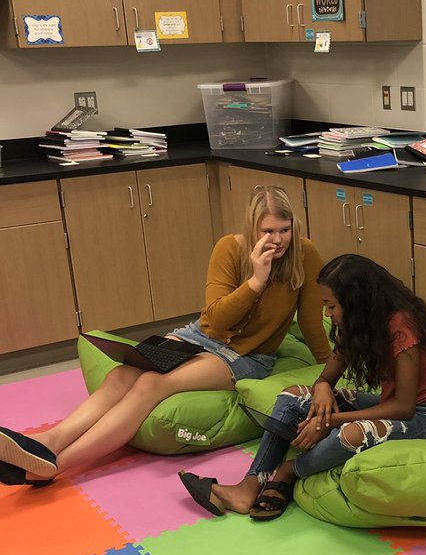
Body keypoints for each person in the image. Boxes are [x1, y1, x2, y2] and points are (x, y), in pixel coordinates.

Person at [0, 186, 331, 485]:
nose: (277, 239)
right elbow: (214, 321)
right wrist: (255, 281)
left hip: (248, 356)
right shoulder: (229, 249)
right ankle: (47, 442)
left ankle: (55, 465)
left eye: (284, 230)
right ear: (252, 229)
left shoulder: (305, 254)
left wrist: (330, 372)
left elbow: (312, 323)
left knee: (151, 384)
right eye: (267, 231)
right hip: (202, 336)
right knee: (123, 373)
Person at [179, 253, 426, 521]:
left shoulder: (402, 325)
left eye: (332, 306)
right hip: (392, 406)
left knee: (352, 433)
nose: (328, 312)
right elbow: (327, 378)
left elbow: (404, 407)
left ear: (356, 302)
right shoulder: (358, 324)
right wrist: (323, 387)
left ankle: (288, 471)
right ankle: (249, 486)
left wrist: (330, 421)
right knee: (292, 397)